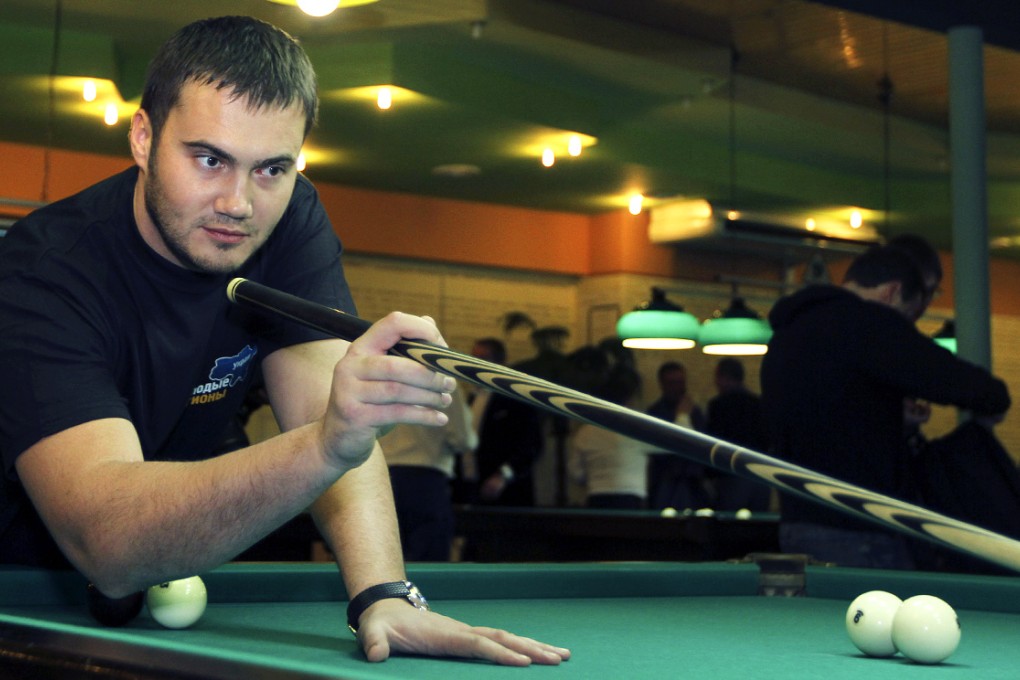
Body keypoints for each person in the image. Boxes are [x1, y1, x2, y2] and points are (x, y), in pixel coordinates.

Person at [0, 16, 569, 667]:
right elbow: (109, 540)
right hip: (20, 584)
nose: (238, 202)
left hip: (164, 557)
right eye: (209, 159)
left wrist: (383, 594)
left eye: (271, 168)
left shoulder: (288, 217)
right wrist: (328, 444)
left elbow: (328, 415)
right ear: (143, 136)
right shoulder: (44, 273)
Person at [760, 244, 1010, 569]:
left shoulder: (789, 332)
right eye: (909, 318)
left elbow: (831, 411)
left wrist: (891, 414)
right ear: (892, 293)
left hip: (797, 523)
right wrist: (996, 400)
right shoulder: (867, 324)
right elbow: (967, 385)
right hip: (861, 527)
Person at [380, 389, 477, 562]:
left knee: (382, 565)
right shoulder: (442, 379)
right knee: (428, 569)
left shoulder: (378, 371)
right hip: (425, 484)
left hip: (379, 480)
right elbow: (463, 438)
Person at [568, 346, 648, 509]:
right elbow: (675, 445)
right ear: (629, 398)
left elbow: (575, 471)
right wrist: (683, 415)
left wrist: (596, 477)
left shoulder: (586, 431)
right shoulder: (638, 428)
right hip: (632, 499)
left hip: (598, 497)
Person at [468, 338, 544, 506]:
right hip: (475, 486)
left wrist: (504, 474)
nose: (475, 364)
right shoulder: (472, 398)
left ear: (500, 363)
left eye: (483, 358)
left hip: (509, 491)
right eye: (473, 358)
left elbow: (532, 444)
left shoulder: (516, 398)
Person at [702, 358, 771, 511]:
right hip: (760, 476)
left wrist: (709, 475)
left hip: (731, 476)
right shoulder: (759, 404)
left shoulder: (718, 406)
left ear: (724, 377)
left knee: (729, 527)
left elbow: (713, 443)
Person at [645, 361, 708, 510]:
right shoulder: (655, 413)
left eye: (681, 382)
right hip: (665, 479)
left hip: (692, 482)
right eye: (672, 383)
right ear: (662, 384)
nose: (678, 388)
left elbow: (701, 444)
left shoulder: (694, 412)